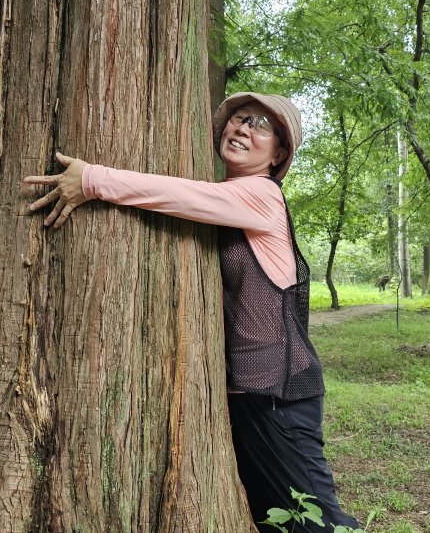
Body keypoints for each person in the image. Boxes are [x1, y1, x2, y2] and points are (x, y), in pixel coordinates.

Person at [24, 92, 360, 531]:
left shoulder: (261, 194)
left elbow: (179, 194)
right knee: (270, 520)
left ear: (279, 154)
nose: (242, 127)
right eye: (240, 118)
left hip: (279, 396)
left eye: (261, 125)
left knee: (316, 521)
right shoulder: (230, 200)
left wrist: (93, 179)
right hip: (249, 395)